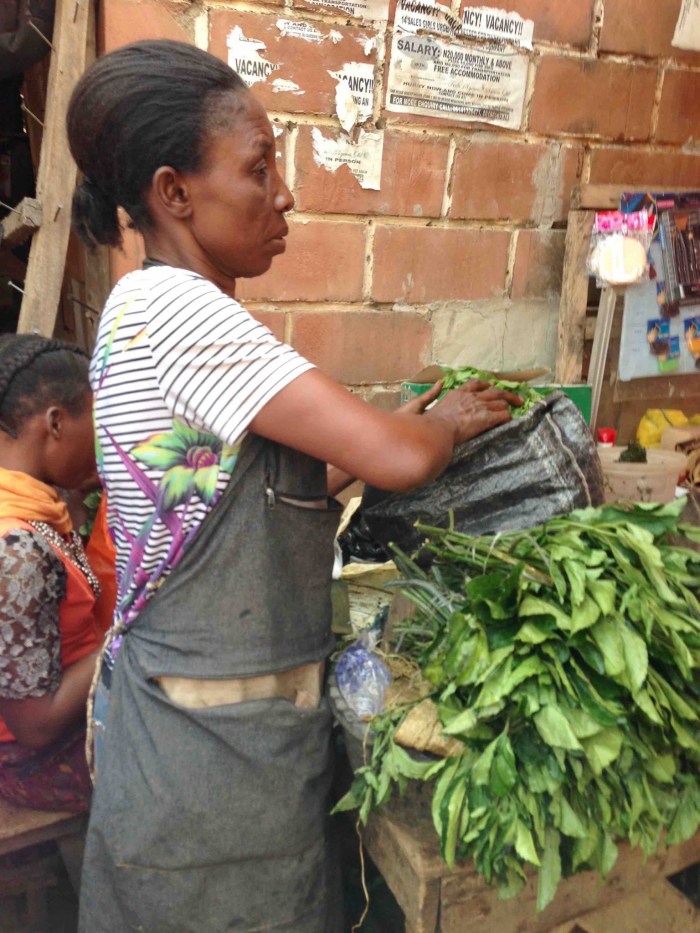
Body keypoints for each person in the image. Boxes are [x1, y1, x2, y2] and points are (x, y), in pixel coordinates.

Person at [66, 39, 522, 932]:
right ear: (174, 192)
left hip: (196, 736)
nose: (283, 193)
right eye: (259, 167)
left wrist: (392, 432)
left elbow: (218, 491)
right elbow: (400, 459)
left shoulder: (139, 304)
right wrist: (444, 424)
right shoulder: (180, 311)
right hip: (209, 761)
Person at [0, 334, 101, 814]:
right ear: (56, 422)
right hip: (27, 760)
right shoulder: (16, 551)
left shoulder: (36, 509)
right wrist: (131, 633)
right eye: (98, 424)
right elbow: (35, 726)